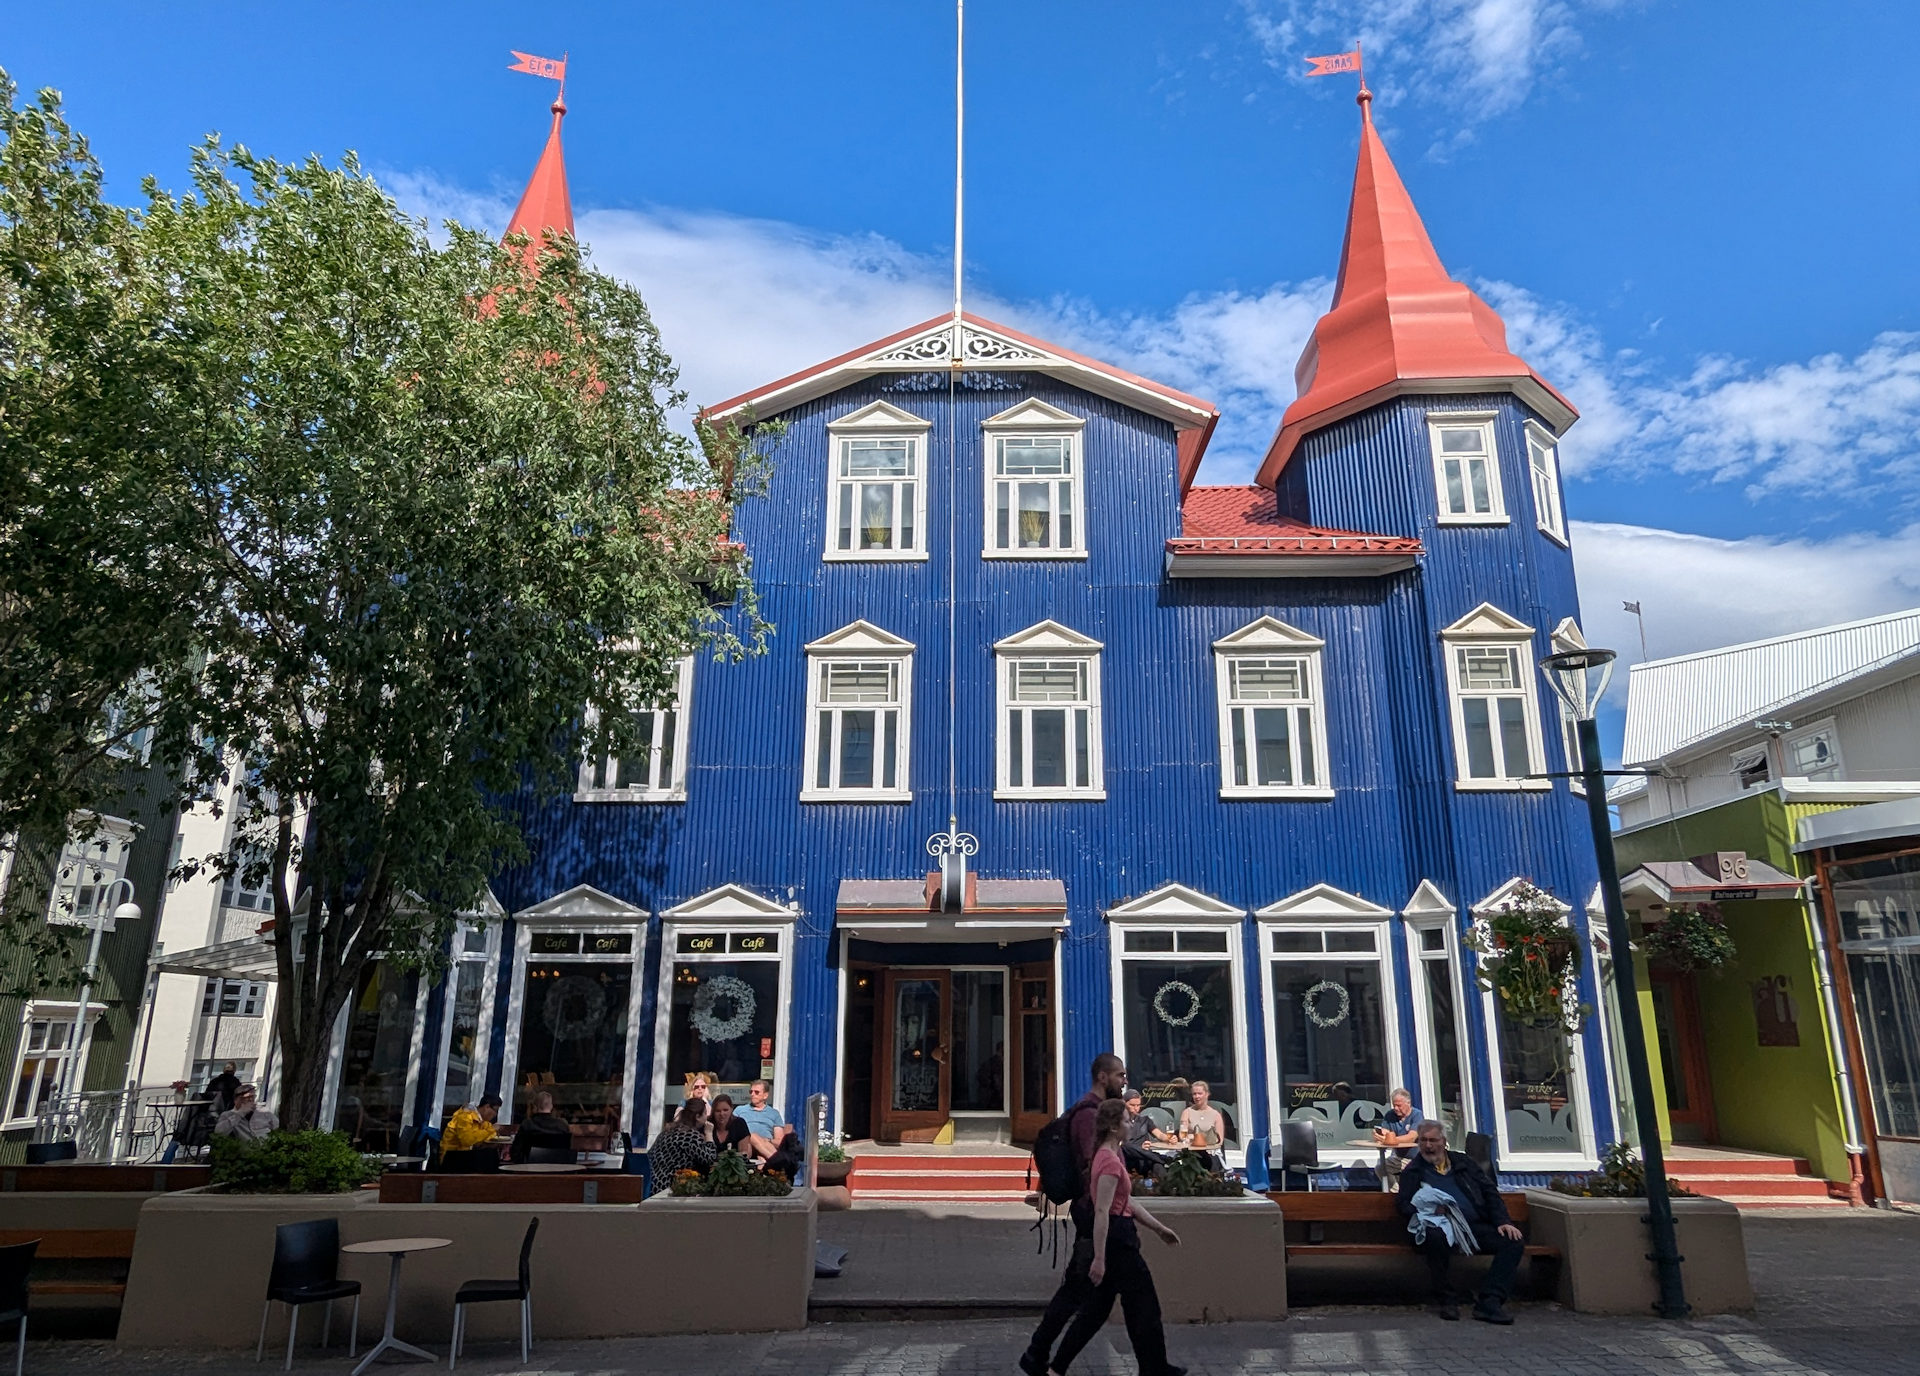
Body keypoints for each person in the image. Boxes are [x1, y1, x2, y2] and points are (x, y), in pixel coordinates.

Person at [1046, 1098, 1184, 1376]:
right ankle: (1154, 1368)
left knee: (1095, 1312)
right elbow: (1102, 1211)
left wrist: (1159, 1229)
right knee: (1145, 1305)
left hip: (1117, 1237)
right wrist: (1099, 1258)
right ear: (1112, 1126)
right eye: (1125, 1120)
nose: (1130, 1124)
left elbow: (1127, 1203)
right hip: (1119, 1242)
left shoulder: (1106, 1156)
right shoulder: (1108, 1161)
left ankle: (1057, 1368)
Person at [1019, 1051, 1127, 1376]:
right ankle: (1039, 1353)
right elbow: (1090, 1165)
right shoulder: (1087, 1116)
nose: (1124, 1081)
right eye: (1120, 1075)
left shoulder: (1097, 1113)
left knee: (1095, 1293)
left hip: (1096, 1211)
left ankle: (1043, 1356)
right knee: (1077, 1290)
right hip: (1091, 1212)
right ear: (1103, 1077)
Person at [1395, 1120, 1524, 1323]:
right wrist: (1428, 1209)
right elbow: (1403, 1205)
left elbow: (1489, 1191)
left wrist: (1503, 1221)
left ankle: (1490, 1302)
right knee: (1435, 1239)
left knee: (1512, 1241)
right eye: (1423, 1141)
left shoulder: (1463, 1163)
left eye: (1433, 1140)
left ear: (1443, 1142)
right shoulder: (1413, 1171)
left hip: (1472, 1225)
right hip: (1436, 1226)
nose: (1428, 1146)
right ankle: (1447, 1299)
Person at [648, 1098, 718, 1195]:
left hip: (650, 1184)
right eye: (705, 1113)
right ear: (697, 1116)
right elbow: (710, 1159)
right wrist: (709, 1133)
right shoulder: (689, 1135)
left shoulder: (668, 1131)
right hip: (669, 1187)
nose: (707, 1117)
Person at [1370, 1087, 1422, 1189]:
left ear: (1408, 1103)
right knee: (1381, 1168)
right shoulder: (1390, 1115)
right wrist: (1379, 1135)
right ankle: (1395, 1193)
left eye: (1399, 1105)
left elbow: (1411, 1137)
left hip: (1416, 1158)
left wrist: (1391, 1139)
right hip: (1398, 1158)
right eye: (1394, 1105)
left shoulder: (1417, 1115)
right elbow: (1385, 1132)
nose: (1396, 1108)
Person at [508, 1089, 573, 1162]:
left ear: (535, 1106)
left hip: (531, 1167)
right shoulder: (562, 1125)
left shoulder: (527, 1124)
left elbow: (516, 1151)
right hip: (557, 1166)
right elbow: (567, 1151)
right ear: (551, 1106)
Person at [736, 1080, 792, 1160]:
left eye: (756, 1092)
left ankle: (770, 1163)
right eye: (751, 1092)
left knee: (761, 1157)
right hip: (746, 1147)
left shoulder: (774, 1113)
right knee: (752, 1135)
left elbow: (779, 1142)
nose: (752, 1094)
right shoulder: (740, 1110)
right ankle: (778, 1161)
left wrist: (766, 1141)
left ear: (765, 1095)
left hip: (766, 1147)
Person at [212, 1085, 278, 1142]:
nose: (251, 1100)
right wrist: (240, 1113)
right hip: (244, 1153)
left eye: (253, 1097)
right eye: (248, 1097)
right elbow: (218, 1134)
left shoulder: (264, 1111)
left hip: (266, 1152)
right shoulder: (228, 1115)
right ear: (237, 1100)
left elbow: (278, 1128)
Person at [1176, 1081, 1226, 1149]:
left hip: (1210, 1153)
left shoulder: (1216, 1115)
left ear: (1207, 1094)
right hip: (1192, 1152)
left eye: (1200, 1093)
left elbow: (1219, 1140)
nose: (1197, 1096)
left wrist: (1193, 1136)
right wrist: (1207, 1137)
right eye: (1194, 1094)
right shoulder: (1187, 1112)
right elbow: (1182, 1136)